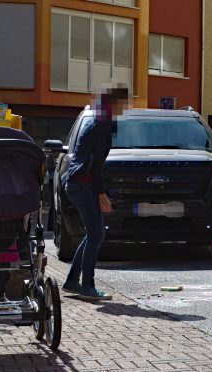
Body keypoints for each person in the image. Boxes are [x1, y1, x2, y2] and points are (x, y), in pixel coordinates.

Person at [61, 85, 129, 300]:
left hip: (78, 183)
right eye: (123, 104)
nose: (125, 108)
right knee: (96, 234)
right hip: (83, 184)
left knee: (93, 234)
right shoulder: (102, 125)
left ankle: (73, 282)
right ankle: (87, 287)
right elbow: (96, 165)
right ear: (114, 104)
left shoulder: (97, 121)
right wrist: (101, 195)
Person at [45, 148, 62, 231]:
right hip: (52, 181)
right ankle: (50, 225)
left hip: (58, 180)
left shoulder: (61, 158)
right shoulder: (50, 158)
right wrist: (56, 165)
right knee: (53, 203)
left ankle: (55, 224)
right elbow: (48, 167)